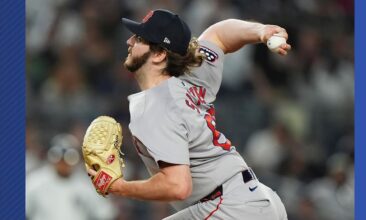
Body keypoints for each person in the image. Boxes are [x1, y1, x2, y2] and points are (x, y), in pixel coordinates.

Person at [89, 9, 291, 219]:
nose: (129, 41)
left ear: (159, 54)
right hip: (254, 200)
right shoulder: (192, 75)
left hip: (230, 208)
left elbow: (178, 186)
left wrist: (120, 187)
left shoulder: (155, 106)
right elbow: (219, 34)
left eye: (139, 38)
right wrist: (261, 31)